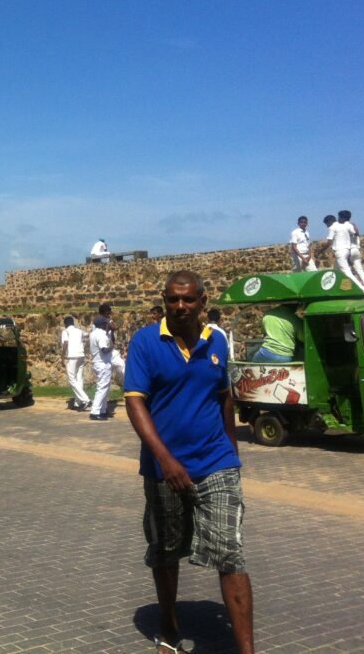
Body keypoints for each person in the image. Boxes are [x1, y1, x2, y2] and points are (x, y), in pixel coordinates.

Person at [123, 270, 253, 654]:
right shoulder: (146, 342)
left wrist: (231, 451)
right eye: (173, 300)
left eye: (188, 300)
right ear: (165, 301)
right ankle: (169, 623)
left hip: (215, 462)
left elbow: (223, 395)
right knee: (166, 550)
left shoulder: (217, 342)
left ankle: (247, 650)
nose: (180, 306)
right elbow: (135, 402)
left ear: (202, 302)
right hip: (164, 469)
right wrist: (165, 459)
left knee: (230, 551)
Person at [323, 212, 364, 294]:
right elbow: (356, 233)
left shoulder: (338, 226)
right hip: (355, 250)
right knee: (355, 272)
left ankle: (363, 290)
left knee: (347, 272)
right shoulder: (350, 225)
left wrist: (319, 251)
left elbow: (331, 242)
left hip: (346, 251)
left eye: (339, 217)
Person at [60, 316, 91, 411]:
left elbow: (65, 343)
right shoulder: (79, 331)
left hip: (72, 356)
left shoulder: (65, 331)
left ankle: (86, 399)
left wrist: (62, 356)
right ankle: (78, 403)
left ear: (65, 324)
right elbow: (87, 335)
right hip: (81, 356)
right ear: (73, 323)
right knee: (79, 378)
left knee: (72, 380)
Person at [88, 315, 113, 420]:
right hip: (103, 364)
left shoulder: (93, 334)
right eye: (107, 323)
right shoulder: (101, 335)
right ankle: (95, 412)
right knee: (102, 388)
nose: (109, 324)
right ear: (103, 324)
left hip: (97, 363)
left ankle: (102, 410)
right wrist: (111, 346)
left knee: (104, 387)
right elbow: (104, 349)